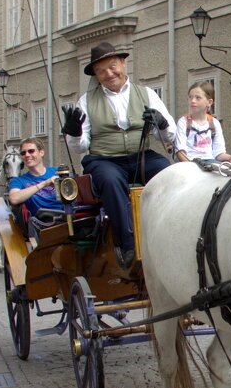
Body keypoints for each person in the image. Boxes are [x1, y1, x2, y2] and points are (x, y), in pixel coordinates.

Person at [61, 42, 176, 270]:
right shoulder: (86, 101)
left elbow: (170, 133)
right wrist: (74, 132)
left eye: (112, 67)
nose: (109, 74)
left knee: (170, 172)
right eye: (101, 71)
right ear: (95, 74)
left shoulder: (146, 94)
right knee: (111, 181)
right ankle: (128, 245)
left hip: (140, 155)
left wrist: (161, 123)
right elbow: (80, 145)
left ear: (123, 64)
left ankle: (174, 232)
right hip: (105, 159)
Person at [173, 81, 231, 166]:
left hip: (210, 163)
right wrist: (190, 168)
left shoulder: (214, 123)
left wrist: (230, 157)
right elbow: (180, 151)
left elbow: (218, 153)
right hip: (190, 162)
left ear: (209, 102)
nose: (192, 101)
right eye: (190, 97)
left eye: (198, 98)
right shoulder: (183, 122)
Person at [8, 137, 60, 216]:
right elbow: (14, 199)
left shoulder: (58, 172)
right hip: (43, 222)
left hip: (67, 216)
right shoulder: (18, 181)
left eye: (31, 151)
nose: (27, 155)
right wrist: (45, 183)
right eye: (23, 153)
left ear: (41, 152)